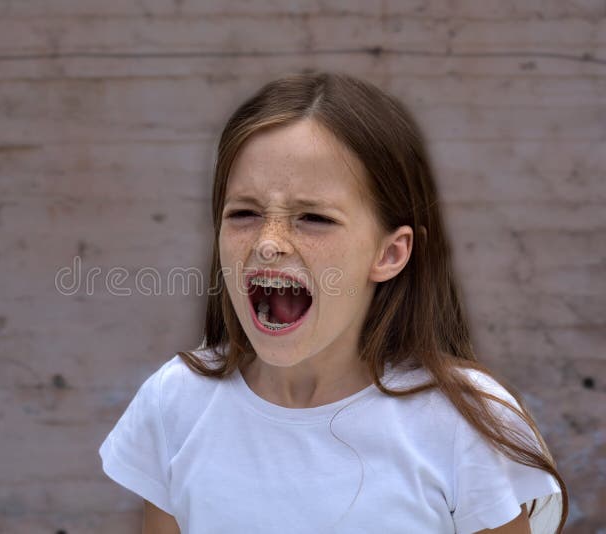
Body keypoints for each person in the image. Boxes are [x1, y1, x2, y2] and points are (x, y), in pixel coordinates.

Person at [98, 71, 566, 534]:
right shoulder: (174, 404)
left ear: (390, 253)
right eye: (244, 213)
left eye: (313, 218)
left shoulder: (464, 422)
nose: (268, 243)